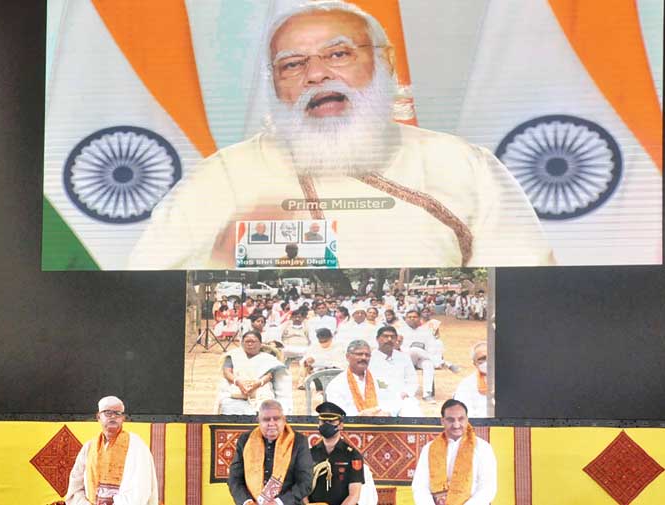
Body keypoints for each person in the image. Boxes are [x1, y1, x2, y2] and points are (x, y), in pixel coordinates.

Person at [128, 1, 554, 270]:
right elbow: (144, 294)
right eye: (292, 64)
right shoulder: (222, 178)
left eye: (338, 54)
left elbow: (526, 297)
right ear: (274, 83)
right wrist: (222, 257)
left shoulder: (463, 166)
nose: (316, 74)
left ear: (384, 63)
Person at [65, 396, 159, 505]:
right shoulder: (89, 447)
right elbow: (76, 486)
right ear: (98, 416)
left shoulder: (137, 446)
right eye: (107, 412)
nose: (113, 416)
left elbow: (141, 489)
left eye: (117, 413)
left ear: (123, 418)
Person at [228, 399, 314, 505]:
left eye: (276, 419)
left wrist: (278, 502)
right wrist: (247, 502)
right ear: (259, 421)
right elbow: (235, 479)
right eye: (266, 419)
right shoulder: (246, 440)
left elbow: (305, 482)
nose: (271, 423)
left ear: (284, 420)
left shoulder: (299, 441)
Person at [411, 400, 497, 505]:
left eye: (461, 419)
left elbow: (488, 488)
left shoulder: (483, 448)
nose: (456, 425)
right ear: (442, 421)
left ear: (467, 419)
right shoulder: (429, 449)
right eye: (450, 420)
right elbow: (420, 486)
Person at [306, 402, 364, 505]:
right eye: (323, 421)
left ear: (341, 425)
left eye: (331, 422)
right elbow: (303, 491)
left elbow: (354, 495)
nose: (326, 425)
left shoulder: (352, 455)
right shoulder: (309, 454)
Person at [220, 331, 289, 415]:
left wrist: (256, 385)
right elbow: (227, 372)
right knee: (228, 406)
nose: (250, 344)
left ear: (260, 344)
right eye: (247, 341)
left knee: (266, 409)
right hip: (238, 389)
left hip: (261, 389)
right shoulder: (234, 355)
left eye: (253, 341)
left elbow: (268, 376)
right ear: (242, 343)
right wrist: (239, 383)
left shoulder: (268, 358)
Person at [368, 326, 421, 416]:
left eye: (392, 337)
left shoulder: (404, 357)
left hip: (402, 399)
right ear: (377, 339)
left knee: (414, 418)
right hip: (378, 399)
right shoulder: (369, 358)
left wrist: (406, 393)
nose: (389, 339)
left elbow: (412, 381)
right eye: (385, 336)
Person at [325, 340, 386, 416]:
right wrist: (360, 415)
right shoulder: (336, 384)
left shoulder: (377, 378)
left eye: (367, 355)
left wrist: (386, 412)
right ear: (347, 357)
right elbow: (337, 412)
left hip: (381, 424)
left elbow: (389, 400)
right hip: (351, 425)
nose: (364, 358)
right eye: (359, 354)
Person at [452, 342, 489, 418]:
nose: (487, 362)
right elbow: (463, 414)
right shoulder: (466, 384)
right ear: (474, 363)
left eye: (490, 357)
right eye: (481, 359)